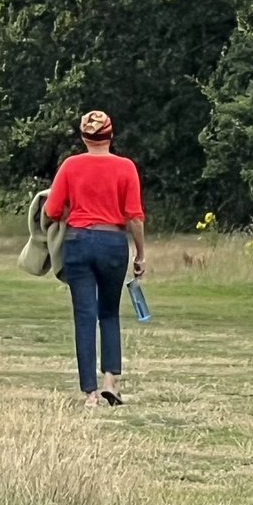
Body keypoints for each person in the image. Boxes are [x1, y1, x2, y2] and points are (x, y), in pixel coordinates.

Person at [43, 110, 146, 408]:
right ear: (110, 136)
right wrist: (140, 254)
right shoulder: (126, 167)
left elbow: (51, 211)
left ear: (84, 137)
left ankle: (89, 393)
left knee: (85, 316)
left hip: (78, 242)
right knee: (109, 313)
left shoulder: (71, 166)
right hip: (114, 242)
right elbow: (135, 218)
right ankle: (110, 381)